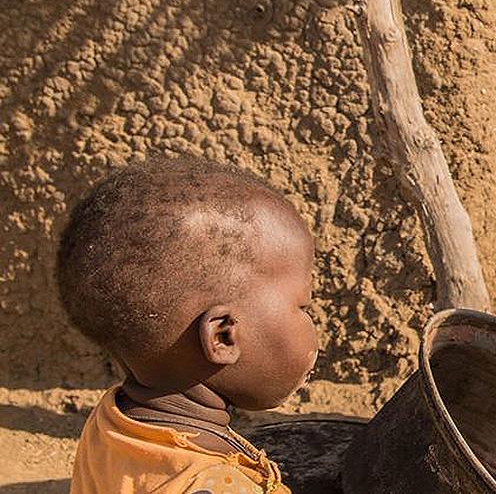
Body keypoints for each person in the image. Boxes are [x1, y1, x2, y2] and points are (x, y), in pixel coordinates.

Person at [58, 157, 318, 494]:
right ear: (223, 336)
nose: (311, 324)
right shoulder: (215, 487)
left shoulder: (114, 423)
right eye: (302, 306)